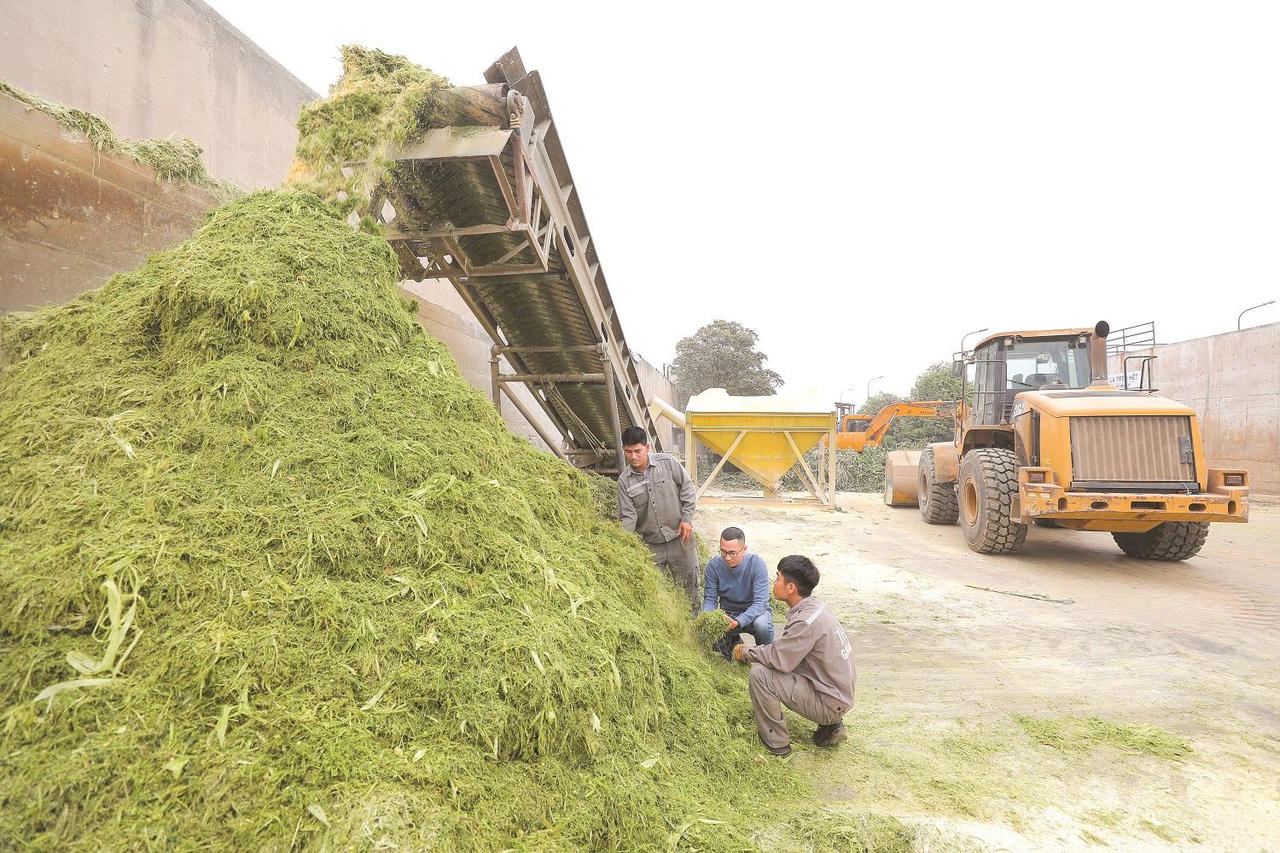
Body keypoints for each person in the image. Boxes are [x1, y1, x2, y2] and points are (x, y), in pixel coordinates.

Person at [733, 555, 855, 757]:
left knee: (761, 674)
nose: (774, 582)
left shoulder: (805, 623)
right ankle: (832, 727)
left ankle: (776, 744)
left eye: (778, 578)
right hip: (838, 690)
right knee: (794, 660)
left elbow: (778, 658)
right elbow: (787, 652)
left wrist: (746, 652)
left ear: (790, 588)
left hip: (831, 701)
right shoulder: (816, 607)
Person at [616, 426, 699, 607]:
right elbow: (628, 517)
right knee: (656, 594)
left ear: (647, 448)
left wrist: (687, 519)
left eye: (638, 451)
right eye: (628, 452)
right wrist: (622, 544)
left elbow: (688, 489)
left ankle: (694, 627)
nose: (633, 456)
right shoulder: (624, 481)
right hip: (650, 547)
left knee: (689, 590)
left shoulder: (668, 463)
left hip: (680, 540)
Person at [701, 526, 774, 658]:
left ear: (744, 549)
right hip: (727, 614)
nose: (727, 558)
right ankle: (733, 646)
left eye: (732, 553)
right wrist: (707, 616)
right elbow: (710, 600)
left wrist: (739, 621)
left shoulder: (756, 565)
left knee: (762, 625)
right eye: (723, 552)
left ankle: (765, 656)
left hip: (753, 613)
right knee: (706, 630)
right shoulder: (714, 566)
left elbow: (760, 604)